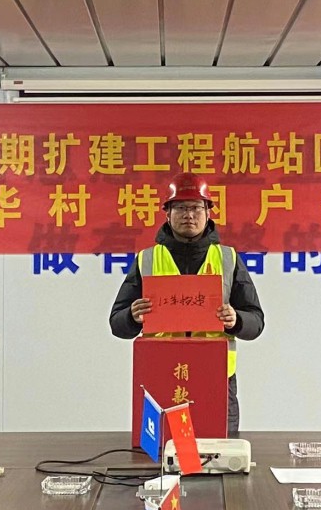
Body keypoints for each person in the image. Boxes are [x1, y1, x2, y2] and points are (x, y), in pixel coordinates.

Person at [110, 172, 264, 436]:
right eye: (180, 208)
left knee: (217, 451)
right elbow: (117, 323)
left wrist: (236, 319)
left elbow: (256, 322)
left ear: (208, 212)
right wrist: (132, 317)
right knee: (161, 449)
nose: (188, 215)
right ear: (167, 214)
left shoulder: (228, 259)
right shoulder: (147, 259)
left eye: (196, 207)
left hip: (214, 376)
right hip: (161, 374)